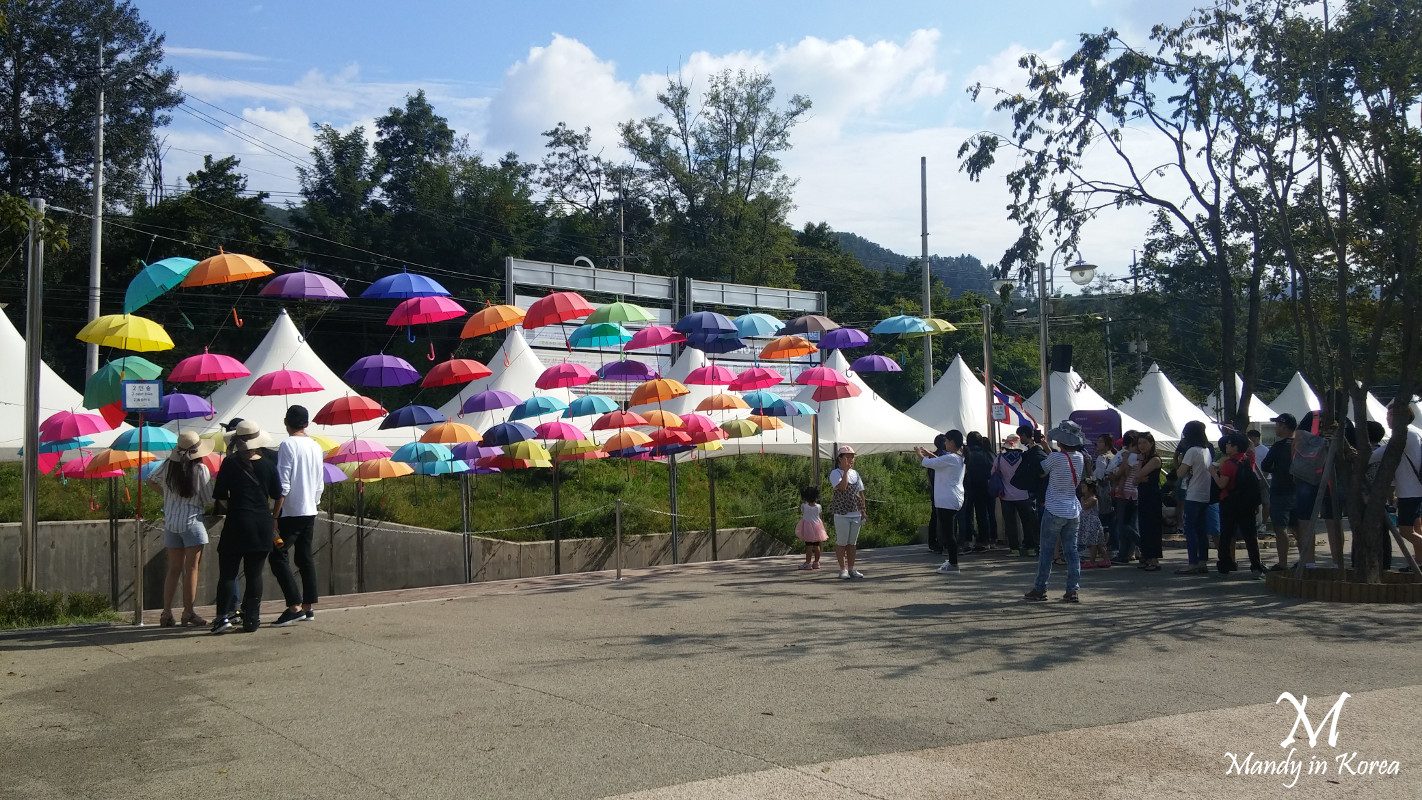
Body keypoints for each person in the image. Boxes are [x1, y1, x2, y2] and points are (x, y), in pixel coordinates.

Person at [210, 421, 282, 634]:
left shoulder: (230, 464)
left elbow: (221, 497)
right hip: (261, 524)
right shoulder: (269, 464)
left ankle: (222, 618)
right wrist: (272, 516)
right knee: (255, 574)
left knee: (228, 574)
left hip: (236, 522)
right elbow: (278, 495)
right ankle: (252, 618)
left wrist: (234, 507)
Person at [147, 431, 216, 627]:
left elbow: (150, 480)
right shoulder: (201, 469)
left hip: (171, 523)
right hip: (192, 522)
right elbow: (209, 498)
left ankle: (166, 613)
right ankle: (188, 612)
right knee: (192, 569)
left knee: (174, 569)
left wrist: (166, 496)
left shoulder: (168, 465)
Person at [270, 405, 325, 625]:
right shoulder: (315, 445)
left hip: (291, 510)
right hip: (310, 508)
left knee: (277, 555)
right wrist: (314, 502)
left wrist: (275, 515)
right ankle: (308, 606)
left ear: (286, 422)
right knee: (305, 557)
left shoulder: (287, 444)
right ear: (307, 423)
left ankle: (294, 605)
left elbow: (283, 483)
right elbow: (320, 481)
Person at [1025, 420, 1088, 603]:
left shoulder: (1055, 458)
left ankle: (1040, 588)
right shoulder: (1080, 457)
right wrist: (1047, 448)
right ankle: (1072, 590)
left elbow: (1043, 471)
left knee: (1046, 551)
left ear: (1060, 440)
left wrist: (1042, 449)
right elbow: (1062, 462)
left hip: (1054, 509)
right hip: (1073, 509)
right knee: (1072, 551)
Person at [1211, 432, 1265, 576]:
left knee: (1227, 534)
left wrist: (1213, 472)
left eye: (1230, 443)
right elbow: (1251, 445)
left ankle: (1225, 563)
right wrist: (1238, 433)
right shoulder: (1248, 459)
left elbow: (1222, 484)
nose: (1227, 446)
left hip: (1229, 502)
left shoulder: (1228, 464)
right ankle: (1256, 564)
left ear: (1235, 447)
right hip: (1247, 503)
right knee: (1250, 535)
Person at [917, 431, 966, 574]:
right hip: (953, 498)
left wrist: (919, 452)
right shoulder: (958, 457)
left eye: (946, 441)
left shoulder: (950, 458)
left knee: (948, 533)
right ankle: (951, 561)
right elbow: (938, 461)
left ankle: (953, 564)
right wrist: (929, 453)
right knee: (949, 531)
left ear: (951, 442)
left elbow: (926, 462)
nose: (944, 444)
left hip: (947, 499)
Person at [1174, 420, 1215, 575]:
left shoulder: (1192, 451)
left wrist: (1178, 461)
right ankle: (1203, 561)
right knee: (1201, 530)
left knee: (1190, 529)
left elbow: (1180, 473)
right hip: (1205, 493)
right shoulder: (1206, 450)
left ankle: (1193, 562)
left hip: (1194, 494)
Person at [1385, 402, 1422, 570]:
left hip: (1410, 492)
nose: (1388, 418)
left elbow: (1384, 453)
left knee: (1405, 531)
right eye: (1388, 415)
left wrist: (1362, 457)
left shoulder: (1405, 434)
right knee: (1416, 528)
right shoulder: (1414, 434)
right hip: (1412, 489)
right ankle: (1419, 562)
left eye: (1391, 415)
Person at [1261, 414, 1297, 570]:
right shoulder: (1300, 444)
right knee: (1298, 527)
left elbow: (1265, 465)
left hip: (1280, 490)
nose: (1276, 427)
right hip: (1299, 490)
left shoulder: (1279, 446)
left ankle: (1283, 562)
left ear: (1284, 426)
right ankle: (1307, 561)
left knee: (1280, 527)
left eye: (1277, 425)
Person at [993, 434, 1038, 556]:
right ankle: (1030, 548)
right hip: (1024, 495)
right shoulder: (1024, 458)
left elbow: (993, 473)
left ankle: (1014, 549)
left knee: (1010, 523)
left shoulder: (999, 459)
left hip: (1006, 496)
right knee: (1027, 523)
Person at [829, 445, 869, 579]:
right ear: (840, 459)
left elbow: (860, 492)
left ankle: (851, 568)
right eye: (847, 457)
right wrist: (845, 471)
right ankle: (843, 569)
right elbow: (842, 487)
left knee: (852, 543)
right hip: (842, 513)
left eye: (852, 457)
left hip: (855, 512)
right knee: (842, 542)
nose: (851, 459)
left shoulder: (856, 473)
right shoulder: (835, 473)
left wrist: (863, 510)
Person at [959, 432, 996, 552]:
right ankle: (984, 541)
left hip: (967, 486)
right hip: (984, 486)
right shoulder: (987, 453)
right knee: (983, 514)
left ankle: (967, 541)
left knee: (967, 514)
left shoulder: (965, 453)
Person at [1134, 433, 1164, 571]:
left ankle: (1154, 558)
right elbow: (1135, 480)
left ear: (1151, 443)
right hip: (1143, 495)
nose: (1142, 446)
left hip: (1152, 496)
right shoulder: (1144, 459)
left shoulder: (1154, 459)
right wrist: (1141, 477)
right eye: (1139, 443)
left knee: (1153, 527)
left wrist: (1140, 463)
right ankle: (1146, 555)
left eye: (1144, 443)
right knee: (1144, 527)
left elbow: (1139, 475)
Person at [1110, 431, 1141, 565]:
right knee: (1132, 523)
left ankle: (1126, 552)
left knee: (1123, 525)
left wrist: (1114, 474)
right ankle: (1131, 552)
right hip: (1135, 493)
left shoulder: (1129, 456)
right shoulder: (1140, 457)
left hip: (1125, 492)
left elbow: (1122, 473)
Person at [1093, 434, 1117, 554]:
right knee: (1112, 520)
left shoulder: (1102, 458)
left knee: (1104, 520)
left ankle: (1104, 546)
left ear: (1107, 444)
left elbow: (1099, 476)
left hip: (1104, 491)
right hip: (1113, 490)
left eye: (1101, 441)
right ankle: (1112, 544)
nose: (1098, 443)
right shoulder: (1114, 456)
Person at [1078, 473, 1109, 568]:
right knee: (1097, 543)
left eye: (1084, 487)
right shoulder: (1086, 498)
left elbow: (1085, 506)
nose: (1082, 489)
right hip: (1087, 523)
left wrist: (1082, 499)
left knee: (1094, 543)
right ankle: (1105, 560)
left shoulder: (1093, 498)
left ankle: (1092, 561)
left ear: (1090, 489)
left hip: (1093, 523)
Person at [796, 486, 828, 570]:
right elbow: (819, 514)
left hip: (807, 526)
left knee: (809, 545)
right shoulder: (819, 506)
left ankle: (808, 562)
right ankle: (816, 562)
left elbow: (802, 511)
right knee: (816, 545)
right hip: (817, 526)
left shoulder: (804, 506)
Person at [925, 434, 948, 555]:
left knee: (934, 516)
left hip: (935, 490)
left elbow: (928, 474)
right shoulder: (946, 456)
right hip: (945, 490)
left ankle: (932, 542)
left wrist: (932, 487)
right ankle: (943, 542)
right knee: (945, 517)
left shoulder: (930, 457)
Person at [1249, 429, 1270, 531]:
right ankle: (1255, 521)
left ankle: (1264, 523)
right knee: (1254, 502)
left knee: (1265, 502)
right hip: (1252, 478)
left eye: (1254, 438)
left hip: (1264, 478)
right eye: (1250, 438)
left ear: (1258, 438)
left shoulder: (1264, 449)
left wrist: (1264, 478)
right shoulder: (1247, 450)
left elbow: (1268, 466)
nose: (1253, 440)